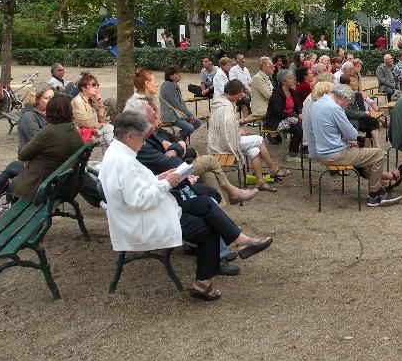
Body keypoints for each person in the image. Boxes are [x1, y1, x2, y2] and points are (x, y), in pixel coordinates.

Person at [99, 111, 272, 301]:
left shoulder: (118, 152)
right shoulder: (123, 162)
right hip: (143, 221)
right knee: (208, 229)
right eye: (143, 137)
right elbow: (139, 200)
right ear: (130, 136)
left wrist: (160, 178)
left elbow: (137, 188)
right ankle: (202, 286)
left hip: (151, 210)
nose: (144, 142)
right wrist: (168, 183)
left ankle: (240, 240)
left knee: (205, 202)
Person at [125, 96, 257, 207]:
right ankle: (232, 193)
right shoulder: (144, 137)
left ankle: (222, 212)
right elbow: (169, 161)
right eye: (154, 116)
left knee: (209, 174)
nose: (157, 119)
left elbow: (177, 139)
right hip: (173, 173)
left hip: (179, 166)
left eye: (156, 115)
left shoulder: (155, 132)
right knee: (210, 160)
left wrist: (174, 147)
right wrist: (176, 147)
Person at [311, 84, 402, 207]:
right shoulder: (334, 108)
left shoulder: (319, 103)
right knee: (377, 154)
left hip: (324, 151)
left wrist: (343, 137)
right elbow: (352, 134)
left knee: (366, 157)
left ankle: (382, 187)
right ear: (343, 98)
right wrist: (347, 137)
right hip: (335, 154)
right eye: (347, 103)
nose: (346, 107)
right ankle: (374, 195)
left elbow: (329, 130)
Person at [0, 82, 54, 208]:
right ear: (36, 99)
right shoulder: (30, 117)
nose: (51, 101)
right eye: (47, 98)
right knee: (13, 168)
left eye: (53, 98)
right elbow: (37, 142)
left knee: (12, 168)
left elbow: (40, 146)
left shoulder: (50, 115)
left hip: (42, 165)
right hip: (38, 161)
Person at [209, 79, 289, 191]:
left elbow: (226, 126)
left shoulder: (220, 101)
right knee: (259, 139)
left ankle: (260, 182)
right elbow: (226, 129)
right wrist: (238, 131)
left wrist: (238, 129)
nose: (240, 97)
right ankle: (273, 168)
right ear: (232, 92)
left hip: (221, 140)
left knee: (254, 150)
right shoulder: (225, 107)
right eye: (239, 94)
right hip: (225, 143)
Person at [11, 93, 85, 202]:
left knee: (11, 177)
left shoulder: (49, 132)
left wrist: (29, 155)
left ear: (49, 112)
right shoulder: (72, 130)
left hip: (46, 184)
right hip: (65, 182)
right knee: (12, 169)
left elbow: (22, 155)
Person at [266, 69, 304, 162]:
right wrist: (294, 116)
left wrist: (299, 113)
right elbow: (278, 112)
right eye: (290, 78)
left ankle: (304, 149)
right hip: (277, 121)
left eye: (293, 77)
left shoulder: (292, 91)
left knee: (305, 124)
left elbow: (297, 106)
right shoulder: (277, 94)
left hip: (289, 118)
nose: (293, 80)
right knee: (299, 130)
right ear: (283, 81)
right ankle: (292, 155)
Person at [159, 66, 203, 142]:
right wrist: (190, 115)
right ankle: (177, 139)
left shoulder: (174, 85)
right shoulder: (167, 86)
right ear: (171, 76)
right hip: (171, 116)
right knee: (190, 128)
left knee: (198, 122)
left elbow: (181, 102)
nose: (180, 75)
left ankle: (179, 138)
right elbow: (176, 104)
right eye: (177, 73)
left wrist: (188, 114)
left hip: (178, 114)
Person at [71, 72, 114, 146]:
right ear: (83, 87)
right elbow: (84, 123)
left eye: (97, 85)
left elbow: (102, 120)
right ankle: (114, 154)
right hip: (83, 134)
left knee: (107, 135)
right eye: (93, 85)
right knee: (109, 129)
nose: (96, 87)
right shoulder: (78, 101)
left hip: (94, 131)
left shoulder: (92, 100)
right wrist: (100, 125)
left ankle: (112, 153)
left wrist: (100, 104)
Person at [340, 74, 383, 148]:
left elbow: (361, 109)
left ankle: (373, 148)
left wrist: (367, 111)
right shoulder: (344, 95)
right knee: (372, 121)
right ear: (347, 84)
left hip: (357, 117)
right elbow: (350, 113)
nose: (355, 82)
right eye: (353, 81)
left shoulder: (356, 94)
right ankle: (375, 147)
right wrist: (365, 113)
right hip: (350, 120)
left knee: (373, 121)